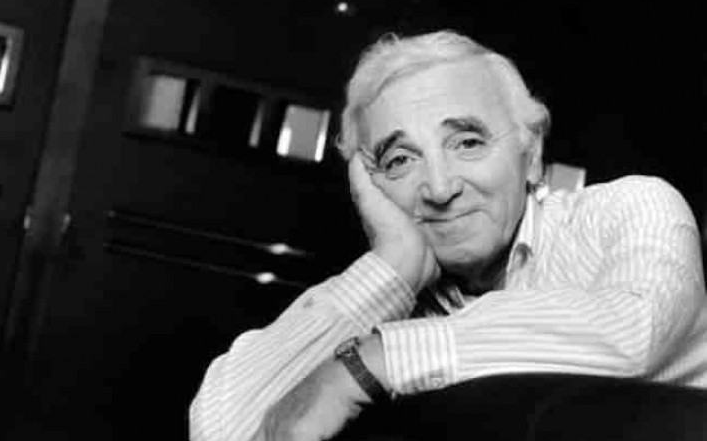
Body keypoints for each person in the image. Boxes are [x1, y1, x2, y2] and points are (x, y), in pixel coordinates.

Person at [189, 30, 707, 441]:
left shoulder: (631, 208)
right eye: (400, 160)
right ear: (368, 185)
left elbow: (633, 329)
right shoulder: (391, 296)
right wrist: (395, 265)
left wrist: (372, 363)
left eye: (467, 142)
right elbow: (220, 430)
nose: (439, 188)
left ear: (530, 155)